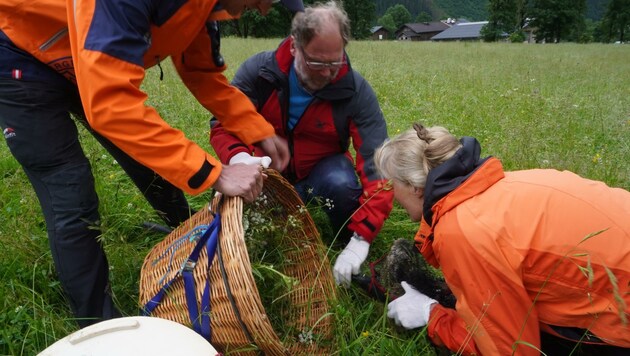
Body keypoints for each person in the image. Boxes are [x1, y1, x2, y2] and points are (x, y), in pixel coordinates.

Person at [0, 0, 304, 328]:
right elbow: (112, 105)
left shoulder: (202, 8)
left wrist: (258, 131)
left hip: (89, 61)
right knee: (70, 190)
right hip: (24, 55)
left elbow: (203, 74)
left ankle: (190, 240)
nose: (262, 11)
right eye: (266, 0)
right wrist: (216, 173)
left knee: (148, 157)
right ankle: (98, 326)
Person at [374, 123, 630, 355]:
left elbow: (512, 349)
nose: (392, 194)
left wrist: (432, 316)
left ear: (415, 187)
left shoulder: (461, 231)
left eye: (391, 184)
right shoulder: (503, 185)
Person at [209, 1, 394, 287]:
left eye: (335, 63)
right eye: (317, 62)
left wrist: (362, 238)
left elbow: (378, 163)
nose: (326, 73)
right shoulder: (260, 73)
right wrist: (240, 159)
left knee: (341, 184)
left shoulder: (355, 91)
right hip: (266, 174)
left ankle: (344, 241)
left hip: (321, 175)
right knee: (255, 240)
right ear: (295, 46)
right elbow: (223, 124)